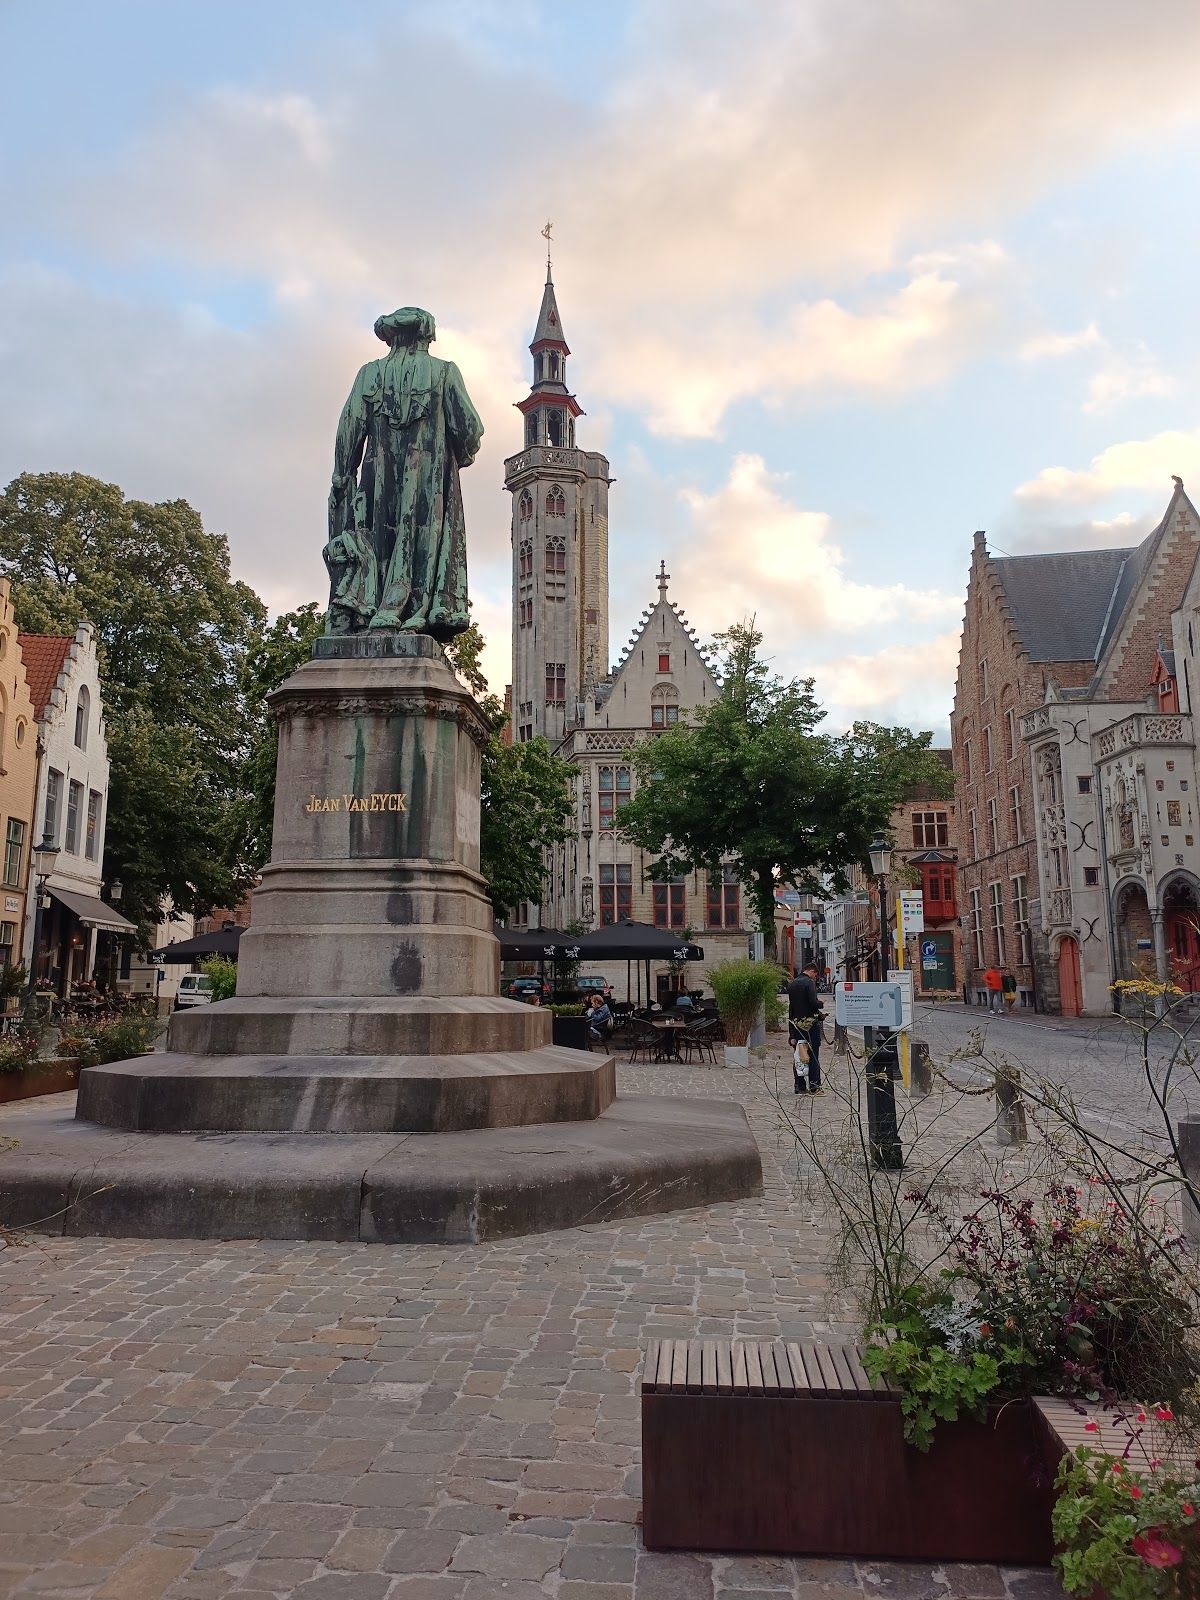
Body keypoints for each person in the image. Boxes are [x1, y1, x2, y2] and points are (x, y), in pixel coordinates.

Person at [786, 961, 826, 1095]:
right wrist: (821, 1004)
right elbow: (813, 1004)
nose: (815, 978)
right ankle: (815, 1087)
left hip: (797, 1026)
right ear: (812, 971)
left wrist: (791, 1033)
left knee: (800, 1056)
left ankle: (800, 1086)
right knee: (813, 1056)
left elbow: (792, 1009)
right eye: (815, 975)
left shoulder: (792, 984)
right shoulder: (809, 983)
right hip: (810, 1026)